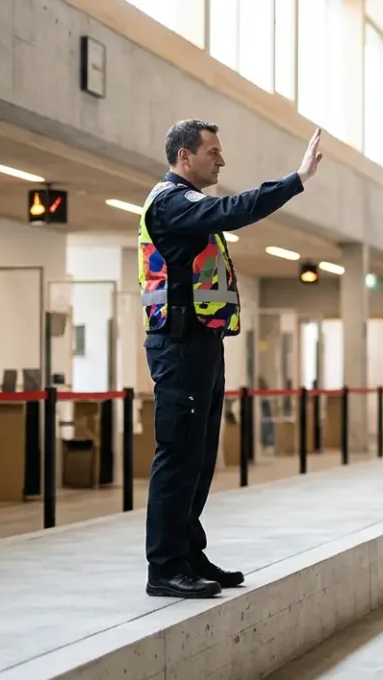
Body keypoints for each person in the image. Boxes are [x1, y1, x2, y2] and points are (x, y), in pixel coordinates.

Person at [138, 119, 324, 598]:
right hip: (179, 347)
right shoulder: (172, 203)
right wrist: (296, 180)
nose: (221, 160)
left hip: (201, 344)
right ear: (184, 156)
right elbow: (233, 210)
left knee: (199, 458)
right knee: (178, 455)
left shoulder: (187, 205)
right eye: (213, 151)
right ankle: (164, 568)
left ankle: (188, 554)